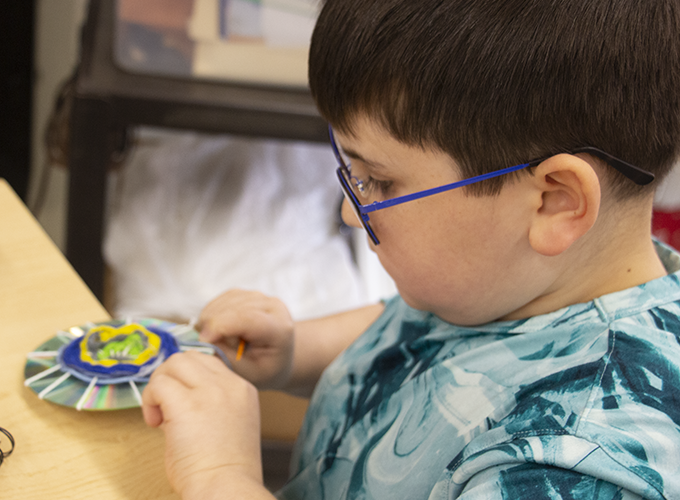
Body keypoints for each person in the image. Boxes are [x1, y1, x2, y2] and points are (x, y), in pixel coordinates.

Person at [141, 0, 680, 498]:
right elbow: (418, 334)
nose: (353, 211)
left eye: (378, 181)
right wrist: (295, 353)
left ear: (555, 202)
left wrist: (221, 476)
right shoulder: (506, 280)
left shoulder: (571, 465)